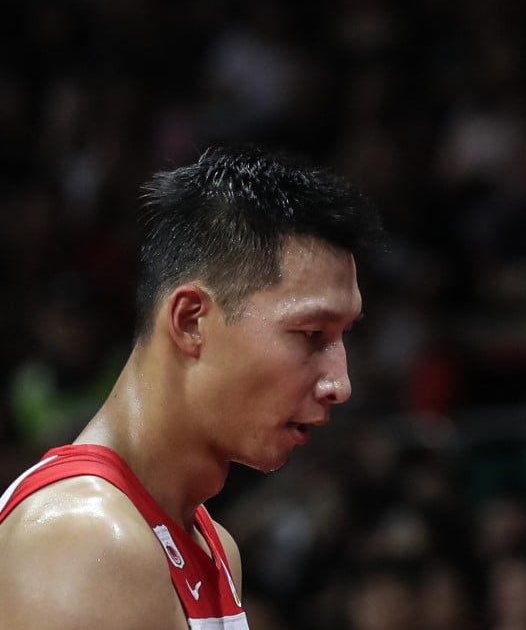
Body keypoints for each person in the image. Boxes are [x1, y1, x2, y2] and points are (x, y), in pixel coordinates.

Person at [0, 145, 382, 629]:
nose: (340, 384)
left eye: (343, 337)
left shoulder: (214, 545)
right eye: (311, 334)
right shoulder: (84, 540)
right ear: (190, 320)